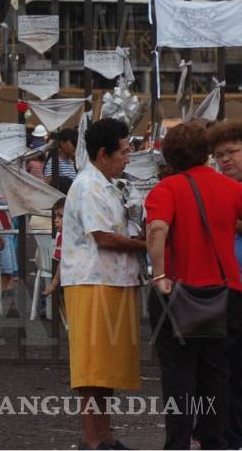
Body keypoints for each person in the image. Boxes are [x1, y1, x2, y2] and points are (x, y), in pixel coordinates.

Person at [146, 122, 242, 449]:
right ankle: (214, 441)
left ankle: (178, 443)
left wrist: (159, 275)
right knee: (217, 374)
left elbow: (157, 229)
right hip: (225, 292)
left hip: (178, 294)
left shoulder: (166, 188)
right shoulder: (231, 189)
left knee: (178, 376)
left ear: (169, 154)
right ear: (205, 151)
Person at [61, 117, 147, 451]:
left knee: (107, 368)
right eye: (124, 152)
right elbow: (103, 237)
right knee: (93, 369)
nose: (128, 158)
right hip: (92, 281)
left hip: (114, 281)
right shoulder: (88, 186)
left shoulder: (110, 184)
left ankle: (105, 435)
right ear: (102, 154)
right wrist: (147, 247)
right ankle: (92, 438)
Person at [208, 120, 242, 448]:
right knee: (229, 370)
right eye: (219, 155)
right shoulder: (217, 189)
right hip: (226, 292)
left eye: (231, 151)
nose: (225, 160)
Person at [42, 197, 65, 299]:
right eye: (56, 216)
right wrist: (53, 284)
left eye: (60, 216)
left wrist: (53, 284)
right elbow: (63, 260)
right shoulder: (61, 235)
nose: (56, 220)